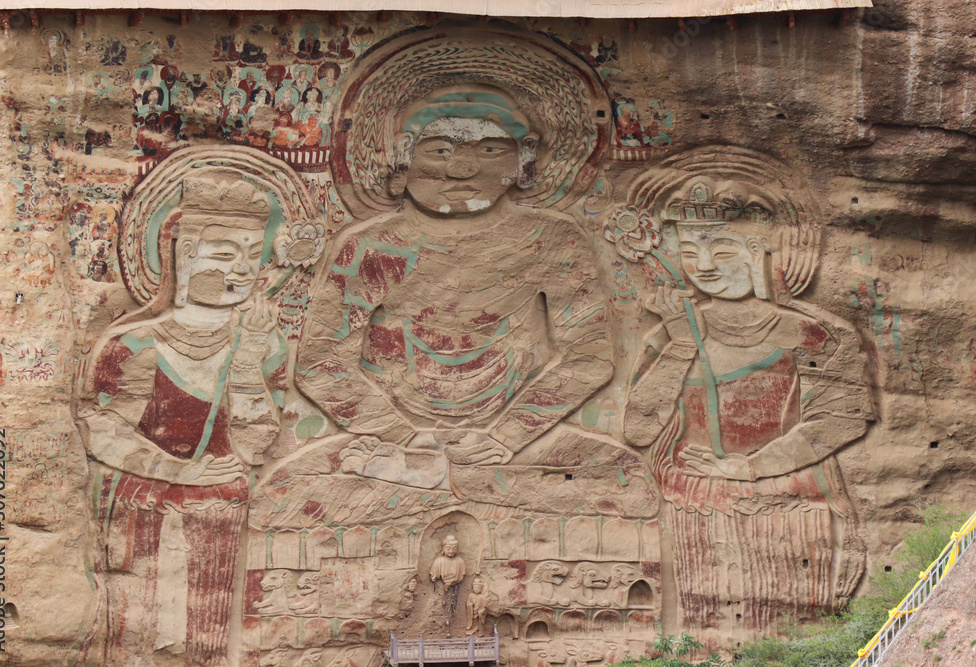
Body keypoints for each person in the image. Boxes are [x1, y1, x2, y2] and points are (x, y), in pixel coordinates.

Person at [296, 85, 612, 491]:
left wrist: (507, 437)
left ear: (526, 157)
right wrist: (404, 438)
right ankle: (438, 477)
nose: (461, 170)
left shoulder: (551, 239)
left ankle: (442, 479)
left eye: (490, 150)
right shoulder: (372, 246)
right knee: (292, 486)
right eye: (440, 151)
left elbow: (589, 358)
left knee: (620, 476)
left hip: (513, 438)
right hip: (390, 436)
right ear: (404, 155)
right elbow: (320, 362)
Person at [621, 147, 871, 644]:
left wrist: (749, 467)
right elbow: (638, 430)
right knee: (705, 636)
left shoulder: (812, 334)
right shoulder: (671, 334)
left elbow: (840, 421)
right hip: (695, 504)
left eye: (723, 253)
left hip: (787, 504)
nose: (705, 267)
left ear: (761, 253)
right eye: (690, 254)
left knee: (793, 635)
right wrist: (682, 345)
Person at [79, 176, 287, 665]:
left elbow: (255, 447)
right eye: (223, 254)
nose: (242, 270)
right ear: (185, 254)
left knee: (205, 642)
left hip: (222, 512)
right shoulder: (137, 343)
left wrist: (246, 359)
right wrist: (179, 471)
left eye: (252, 255)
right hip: (145, 507)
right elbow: (101, 430)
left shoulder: (264, 344)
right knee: (140, 639)